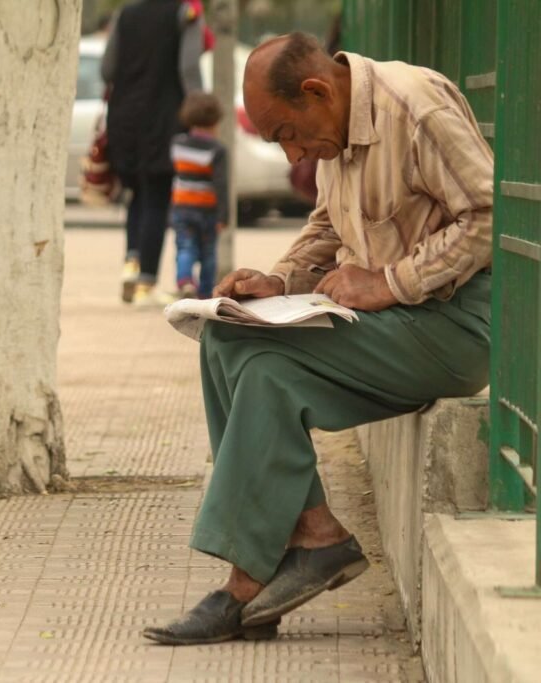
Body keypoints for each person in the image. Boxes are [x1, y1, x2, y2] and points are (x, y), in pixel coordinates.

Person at [143, 32, 493, 644]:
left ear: (316, 91)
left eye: (286, 134)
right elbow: (330, 223)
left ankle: (251, 580)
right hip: (400, 326)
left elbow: (491, 215)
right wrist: (277, 279)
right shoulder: (336, 122)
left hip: (458, 324)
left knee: (261, 360)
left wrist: (391, 281)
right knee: (232, 342)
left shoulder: (415, 108)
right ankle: (313, 535)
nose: (290, 155)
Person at [102, 0, 207, 306]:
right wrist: (199, 110)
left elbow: (107, 68)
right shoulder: (184, 13)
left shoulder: (125, 14)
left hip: (123, 116)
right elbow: (188, 67)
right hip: (164, 118)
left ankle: (131, 265)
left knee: (135, 193)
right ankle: (146, 284)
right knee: (157, 198)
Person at [170, 92, 227, 299]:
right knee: (208, 252)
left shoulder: (177, 144)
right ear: (215, 121)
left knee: (185, 246)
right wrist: (223, 216)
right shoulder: (217, 150)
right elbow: (221, 185)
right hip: (207, 210)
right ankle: (205, 291)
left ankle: (184, 280)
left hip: (182, 207)